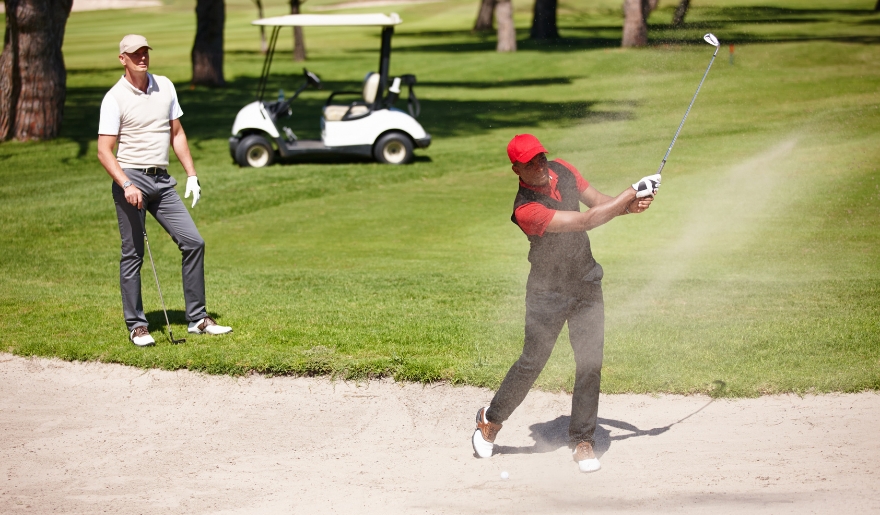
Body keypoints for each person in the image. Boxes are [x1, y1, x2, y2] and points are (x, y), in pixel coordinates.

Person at [471, 134, 659, 472]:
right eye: (530, 163)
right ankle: (491, 419)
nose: (540, 165)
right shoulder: (526, 209)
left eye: (541, 157)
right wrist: (632, 191)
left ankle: (582, 440)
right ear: (517, 169)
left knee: (590, 362)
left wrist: (629, 205)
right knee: (532, 362)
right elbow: (586, 221)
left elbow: (599, 202)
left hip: (586, 281)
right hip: (547, 291)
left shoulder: (565, 171)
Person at [97, 34, 232, 347]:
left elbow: (177, 133)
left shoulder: (165, 86)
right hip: (131, 178)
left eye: (145, 52)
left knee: (193, 242)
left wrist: (192, 174)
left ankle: (198, 319)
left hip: (162, 181)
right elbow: (104, 150)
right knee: (133, 254)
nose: (142, 58)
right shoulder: (114, 98)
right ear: (122, 59)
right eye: (134, 54)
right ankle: (137, 327)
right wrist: (126, 184)